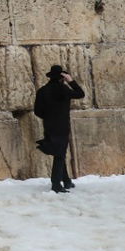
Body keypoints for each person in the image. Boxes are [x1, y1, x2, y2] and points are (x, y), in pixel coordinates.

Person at [34, 64, 85, 194]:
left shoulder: (42, 91)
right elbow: (80, 94)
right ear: (61, 78)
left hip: (49, 126)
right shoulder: (64, 90)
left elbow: (37, 111)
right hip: (62, 126)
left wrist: (48, 117)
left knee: (59, 153)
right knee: (60, 155)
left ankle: (66, 180)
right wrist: (71, 81)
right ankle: (56, 184)